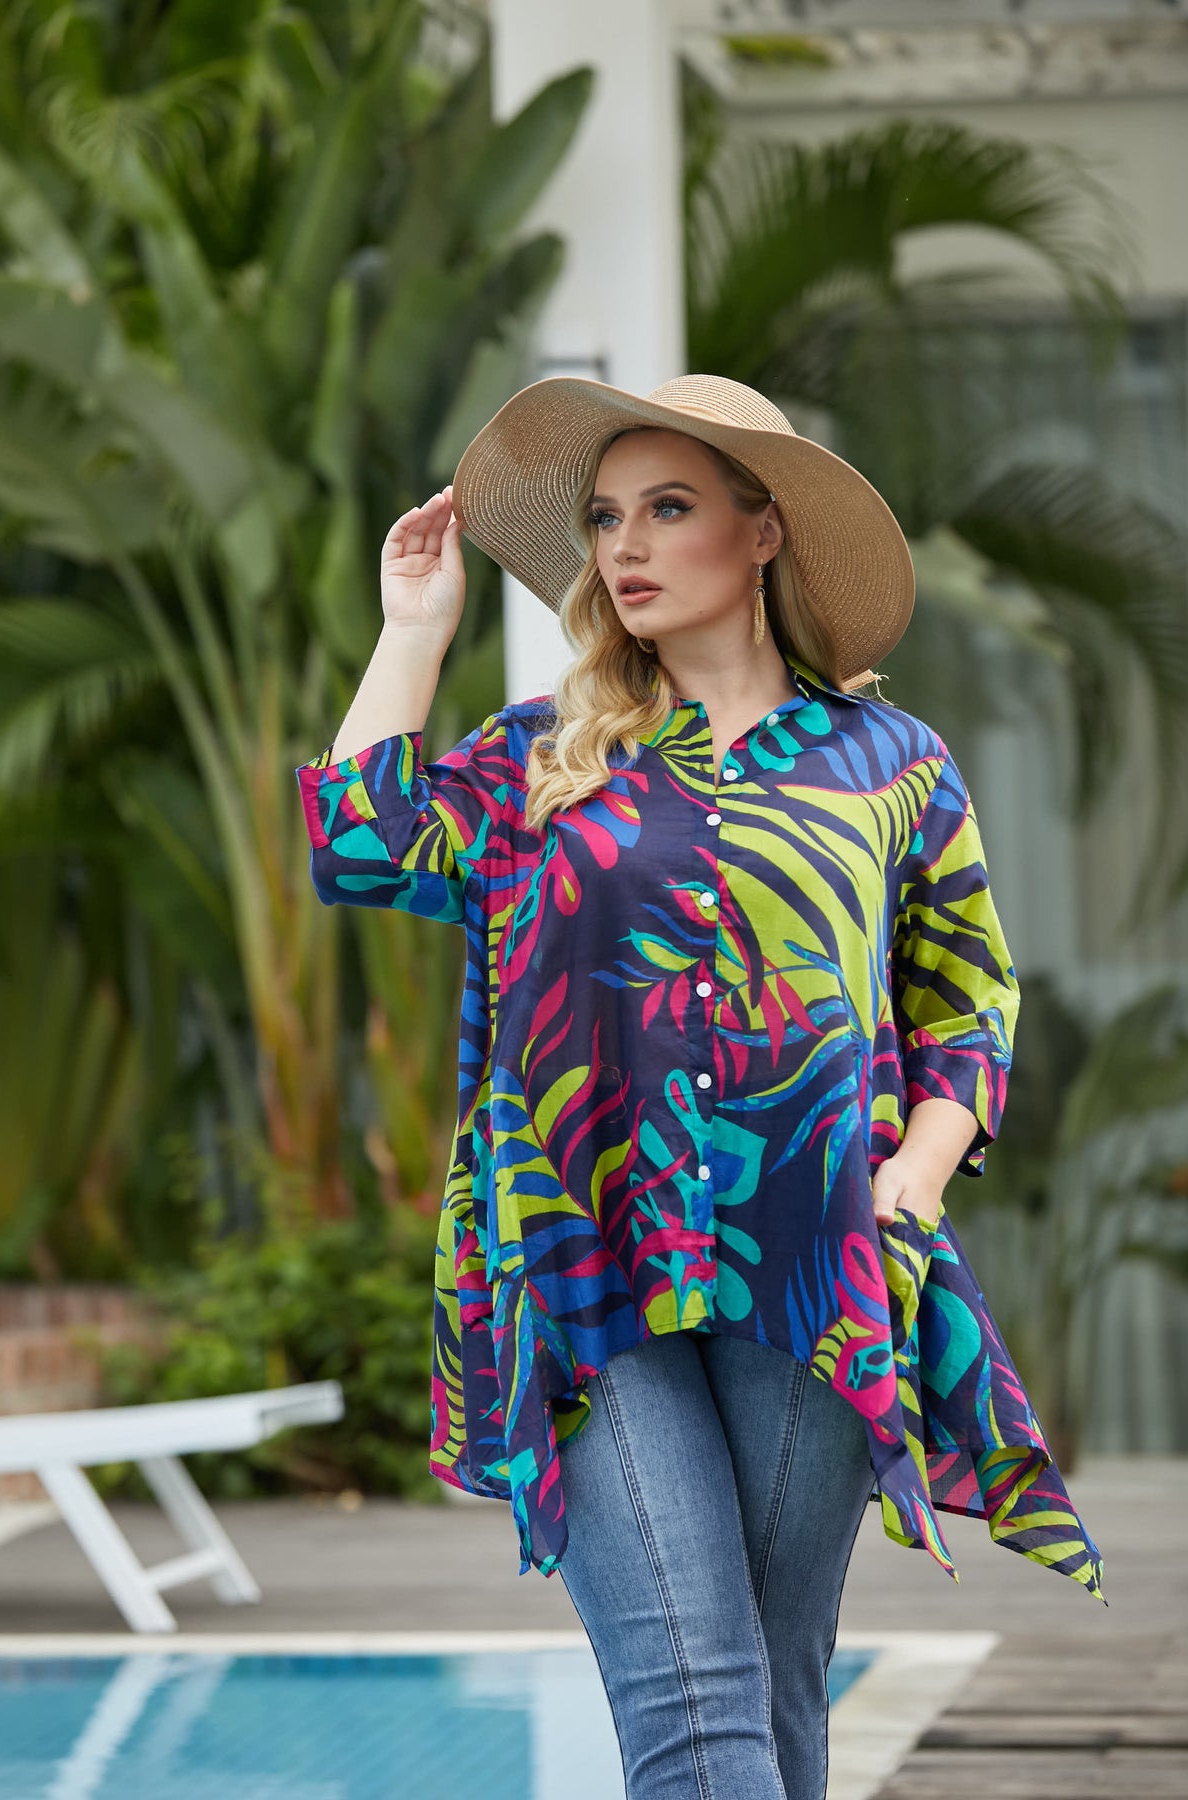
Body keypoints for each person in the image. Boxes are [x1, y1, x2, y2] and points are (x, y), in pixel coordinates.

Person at [296, 374, 1105, 1800]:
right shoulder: (544, 756)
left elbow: (970, 1007)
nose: (627, 546)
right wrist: (414, 629)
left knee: (775, 1696)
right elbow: (358, 846)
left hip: (818, 1262)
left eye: (668, 509)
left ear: (764, 529)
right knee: (691, 1695)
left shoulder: (892, 764)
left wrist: (911, 1185)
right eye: (607, 518)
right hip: (583, 1265)